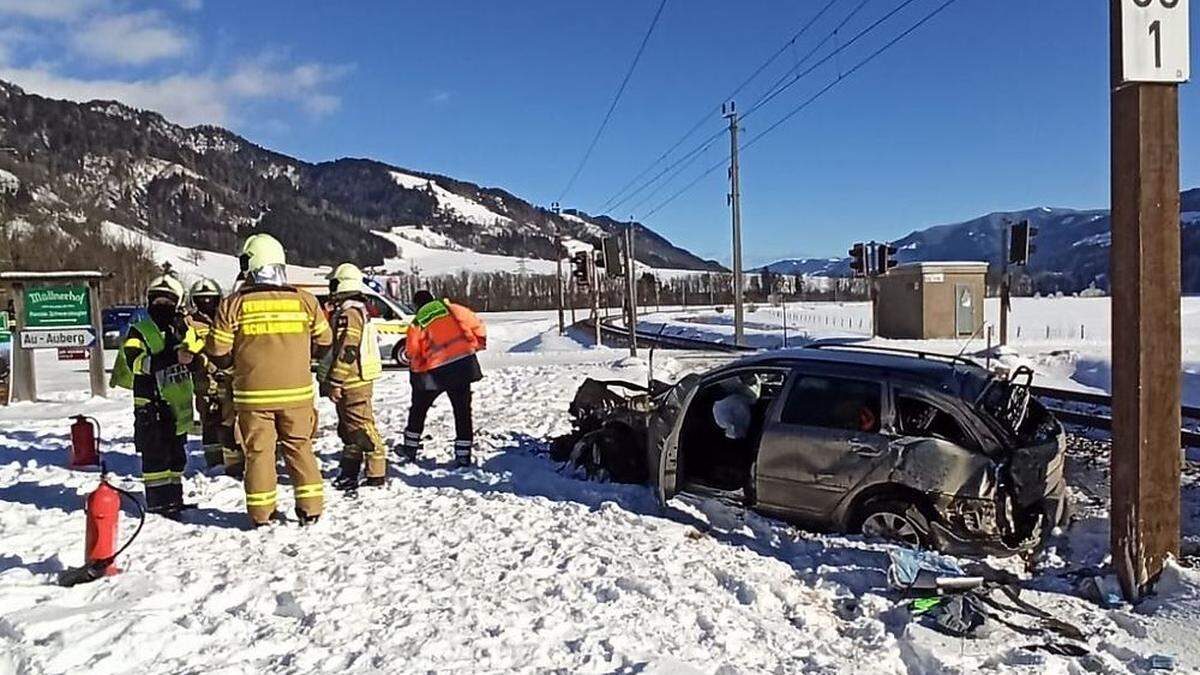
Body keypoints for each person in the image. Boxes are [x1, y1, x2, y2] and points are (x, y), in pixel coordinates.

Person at [207, 234, 333, 527]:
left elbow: (217, 351)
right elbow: (325, 342)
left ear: (250, 264)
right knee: (300, 447)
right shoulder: (305, 300)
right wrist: (303, 360)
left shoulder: (233, 305)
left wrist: (236, 367)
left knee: (259, 454)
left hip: (252, 397)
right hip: (297, 394)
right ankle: (311, 509)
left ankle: (262, 514)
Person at [110, 274, 201, 515]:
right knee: (156, 460)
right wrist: (172, 357)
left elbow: (197, 349)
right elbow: (137, 364)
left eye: (168, 303)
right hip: (151, 405)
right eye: (157, 302)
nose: (162, 307)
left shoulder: (178, 330)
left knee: (176, 458)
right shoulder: (138, 332)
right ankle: (160, 503)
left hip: (176, 406)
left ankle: (174, 499)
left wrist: (188, 335)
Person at [320, 263, 387, 491]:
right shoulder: (353, 310)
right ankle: (350, 469)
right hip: (353, 379)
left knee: (361, 428)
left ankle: (376, 473)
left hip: (353, 381)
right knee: (349, 429)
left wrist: (336, 381)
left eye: (333, 283)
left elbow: (347, 350)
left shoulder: (350, 313)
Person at [402, 290, 486, 467]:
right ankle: (463, 455)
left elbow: (412, 352)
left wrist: (418, 376)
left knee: (419, 409)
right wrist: (476, 345)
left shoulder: (418, 322)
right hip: (463, 366)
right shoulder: (455, 309)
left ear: (417, 306)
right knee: (462, 411)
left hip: (435, 371)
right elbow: (478, 325)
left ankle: (410, 449)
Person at [186, 277, 241, 475]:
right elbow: (187, 348)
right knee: (209, 421)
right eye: (202, 300)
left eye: (210, 299)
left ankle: (234, 464)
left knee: (230, 422)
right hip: (204, 382)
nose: (206, 303)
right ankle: (213, 461)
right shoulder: (188, 323)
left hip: (227, 379)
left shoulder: (226, 318)